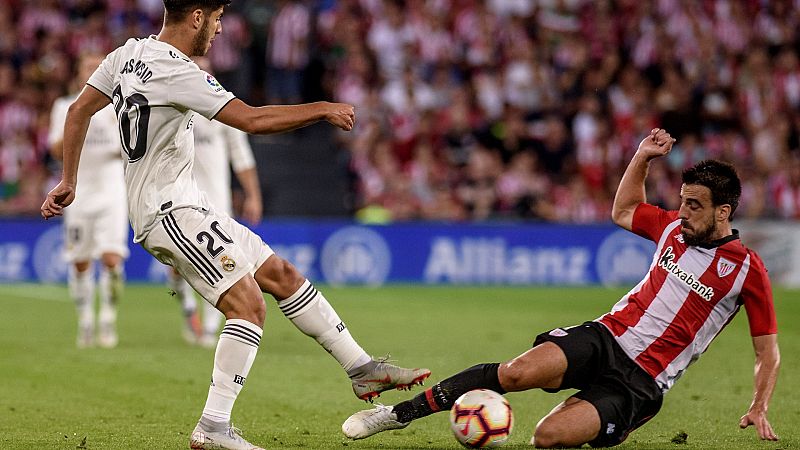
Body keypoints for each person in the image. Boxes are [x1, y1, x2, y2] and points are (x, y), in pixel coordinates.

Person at [40, 2, 430, 449]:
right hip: (169, 212)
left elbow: (77, 112)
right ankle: (212, 428)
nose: (222, 29)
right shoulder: (178, 71)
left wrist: (69, 179)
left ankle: (361, 370)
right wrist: (321, 108)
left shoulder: (125, 55)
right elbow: (250, 119)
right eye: (219, 18)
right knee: (248, 306)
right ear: (197, 16)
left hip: (190, 205)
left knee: (281, 275)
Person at [342, 128, 781, 448]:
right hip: (606, 337)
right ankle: (397, 415)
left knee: (546, 437)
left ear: (723, 212)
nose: (681, 211)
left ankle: (610, 421)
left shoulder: (747, 271)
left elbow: (767, 353)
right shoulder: (671, 228)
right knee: (515, 372)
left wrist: (759, 404)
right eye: (682, 201)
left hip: (642, 381)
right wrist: (642, 157)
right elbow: (624, 209)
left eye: (694, 205)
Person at [169, 57, 262, 349]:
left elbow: (241, 155)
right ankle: (187, 308)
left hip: (215, 200)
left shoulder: (223, 105)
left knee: (220, 265)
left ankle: (209, 328)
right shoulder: (171, 104)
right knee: (175, 267)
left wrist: (253, 195)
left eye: (205, 68)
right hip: (177, 199)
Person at [48, 51, 129, 349]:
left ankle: (108, 318)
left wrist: (106, 123)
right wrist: (78, 126)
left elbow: (131, 148)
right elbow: (55, 150)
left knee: (111, 257)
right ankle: (85, 321)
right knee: (80, 262)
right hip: (77, 192)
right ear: (80, 72)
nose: (93, 72)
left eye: (98, 67)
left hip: (111, 190)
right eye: (88, 67)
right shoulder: (65, 107)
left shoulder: (119, 108)